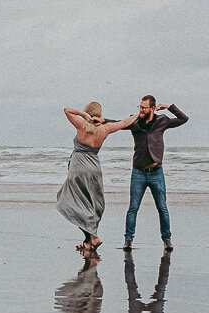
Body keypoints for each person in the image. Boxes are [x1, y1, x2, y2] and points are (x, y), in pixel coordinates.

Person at [57, 102, 135, 255]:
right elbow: (125, 122)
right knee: (93, 202)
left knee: (73, 201)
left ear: (87, 112)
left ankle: (93, 236)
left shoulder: (81, 125)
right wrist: (140, 114)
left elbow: (67, 110)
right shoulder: (105, 129)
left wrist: (83, 115)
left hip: (78, 167)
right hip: (94, 167)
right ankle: (89, 240)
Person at [122, 94, 187, 251]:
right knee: (133, 208)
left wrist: (169, 107)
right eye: (140, 107)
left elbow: (183, 119)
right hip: (138, 172)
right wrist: (102, 121)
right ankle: (128, 240)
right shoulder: (135, 121)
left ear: (152, 108)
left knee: (162, 208)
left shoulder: (162, 121)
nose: (141, 109)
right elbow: (117, 124)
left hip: (156, 172)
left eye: (144, 107)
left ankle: (167, 240)